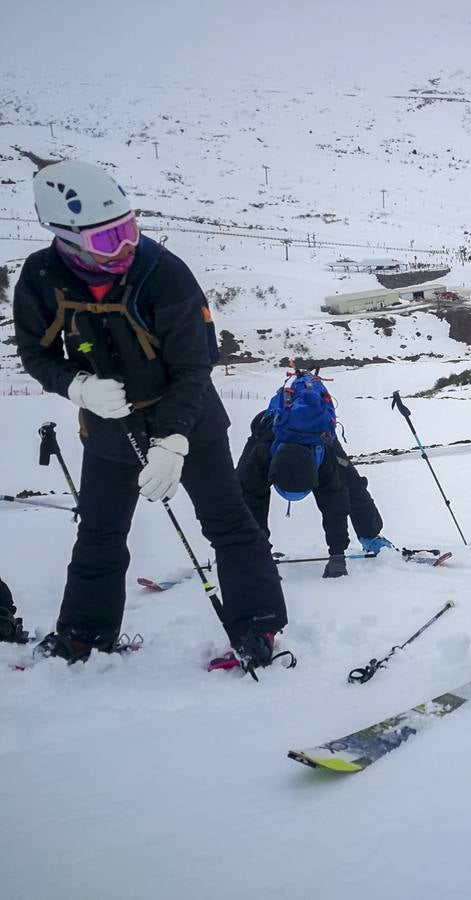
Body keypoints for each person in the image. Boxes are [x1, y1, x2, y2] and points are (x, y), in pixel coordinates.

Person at [13, 160, 288, 667]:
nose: (124, 247)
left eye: (129, 229)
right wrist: (75, 386)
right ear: (64, 238)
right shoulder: (41, 277)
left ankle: (258, 627)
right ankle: (84, 633)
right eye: (106, 239)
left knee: (228, 523)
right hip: (108, 427)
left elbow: (195, 364)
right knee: (99, 530)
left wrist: (173, 440)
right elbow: (35, 353)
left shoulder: (163, 273)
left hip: (191, 422)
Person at [236, 372, 391, 578]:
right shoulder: (261, 455)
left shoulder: (324, 456)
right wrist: (257, 553)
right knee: (239, 490)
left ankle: (370, 536)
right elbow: (251, 502)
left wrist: (337, 554)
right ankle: (239, 547)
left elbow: (335, 502)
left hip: (319, 437)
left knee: (349, 483)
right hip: (270, 430)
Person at [0, 577, 28, 644]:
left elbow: (10, 608)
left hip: (4, 627)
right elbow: (11, 608)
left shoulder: (2, 586)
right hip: (8, 628)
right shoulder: (3, 586)